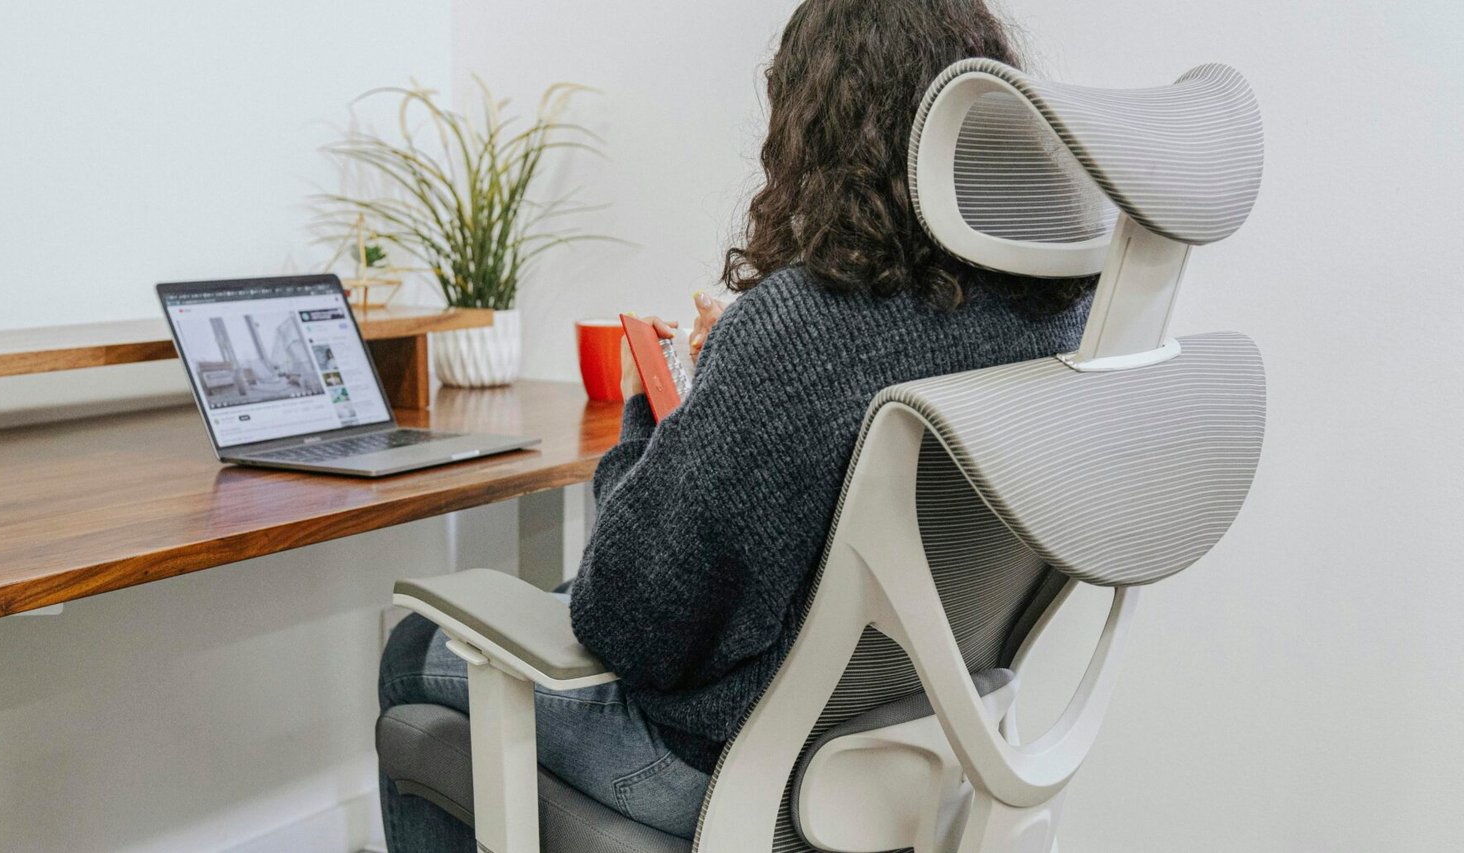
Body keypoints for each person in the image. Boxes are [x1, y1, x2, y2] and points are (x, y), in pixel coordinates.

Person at [377, 0, 1099, 847]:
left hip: (737, 767)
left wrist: (665, 402)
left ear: (816, 127)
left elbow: (625, 620)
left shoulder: (800, 328)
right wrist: (734, 383)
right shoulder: (1052, 310)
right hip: (929, 740)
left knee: (414, 648)